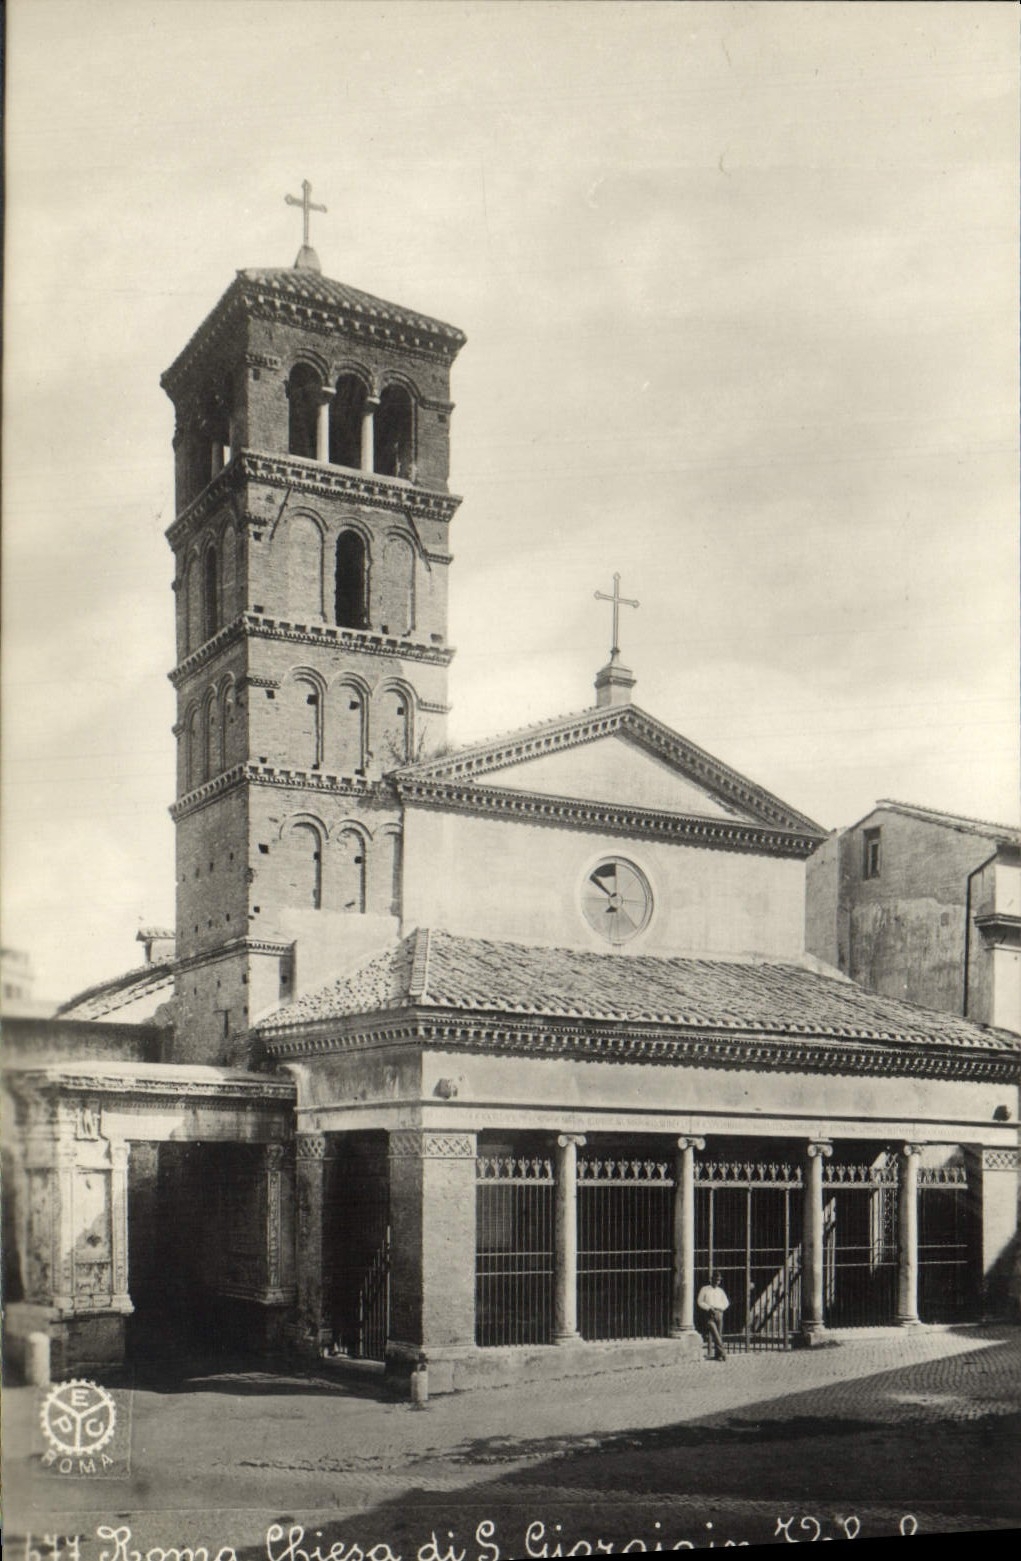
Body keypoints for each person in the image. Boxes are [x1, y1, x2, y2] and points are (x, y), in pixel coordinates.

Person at [697, 1271, 730, 1361]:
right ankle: (723, 1353)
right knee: (715, 1334)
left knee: (719, 1334)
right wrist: (708, 1308)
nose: (717, 1282)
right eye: (715, 1280)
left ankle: (718, 1355)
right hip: (709, 1314)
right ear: (711, 1279)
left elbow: (726, 1302)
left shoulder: (720, 1291)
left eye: (718, 1280)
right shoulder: (705, 1289)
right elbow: (700, 1301)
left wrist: (721, 1308)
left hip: (719, 1313)